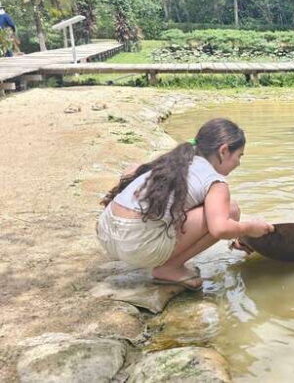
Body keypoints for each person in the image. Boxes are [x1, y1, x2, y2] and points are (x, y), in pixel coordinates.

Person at [96, 118, 274, 291]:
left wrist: (240, 237)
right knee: (230, 210)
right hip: (136, 247)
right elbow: (219, 229)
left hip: (107, 234)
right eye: (239, 156)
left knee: (216, 211)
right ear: (224, 151)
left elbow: (132, 172)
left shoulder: (175, 161)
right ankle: (169, 268)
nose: (238, 163)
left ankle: (163, 259)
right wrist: (249, 228)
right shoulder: (216, 183)